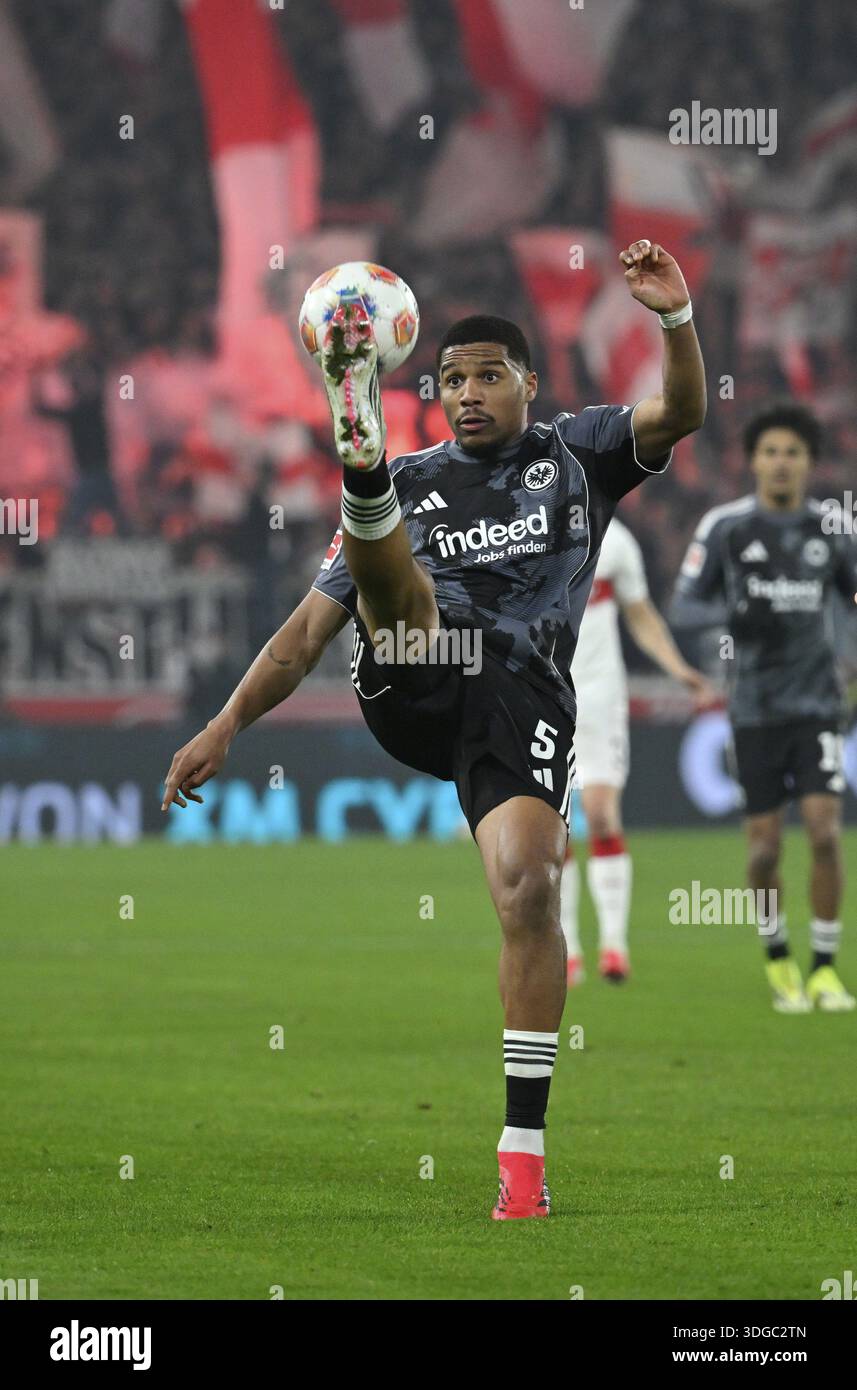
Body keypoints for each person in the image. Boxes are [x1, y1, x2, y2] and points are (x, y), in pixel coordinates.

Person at [162, 240, 706, 1219]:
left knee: (526, 890)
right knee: (404, 605)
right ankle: (356, 465)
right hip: (416, 670)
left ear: (528, 386)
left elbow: (683, 412)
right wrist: (225, 722)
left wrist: (672, 319)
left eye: (487, 376)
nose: (465, 392)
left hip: (522, 700)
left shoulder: (577, 453)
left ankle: (521, 1158)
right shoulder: (425, 478)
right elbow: (302, 634)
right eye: (449, 377)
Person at [673, 402, 857, 1013]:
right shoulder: (725, 528)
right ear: (753, 461)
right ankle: (779, 958)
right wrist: (734, 617)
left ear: (809, 463)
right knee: (763, 850)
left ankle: (826, 969)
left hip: (818, 705)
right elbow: (685, 608)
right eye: (771, 452)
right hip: (753, 710)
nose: (781, 463)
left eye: (793, 453)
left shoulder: (832, 530)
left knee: (827, 833)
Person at [561, 517, 712, 986]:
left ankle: (614, 945)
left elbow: (641, 613)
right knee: (552, 825)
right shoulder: (530, 523)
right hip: (543, 692)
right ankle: (567, 948)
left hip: (602, 695)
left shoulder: (617, 539)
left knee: (602, 814)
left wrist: (677, 668)